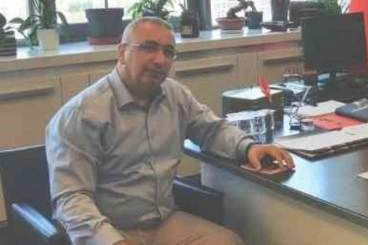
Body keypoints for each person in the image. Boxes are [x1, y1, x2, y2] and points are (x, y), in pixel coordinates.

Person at [46, 17, 295, 245]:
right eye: (149, 48)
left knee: (229, 242)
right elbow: (71, 199)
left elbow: (212, 130)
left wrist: (248, 146)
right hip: (109, 228)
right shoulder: (82, 114)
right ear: (121, 52)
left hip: (163, 222)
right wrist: (111, 241)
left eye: (168, 52)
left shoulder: (174, 95)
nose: (160, 60)